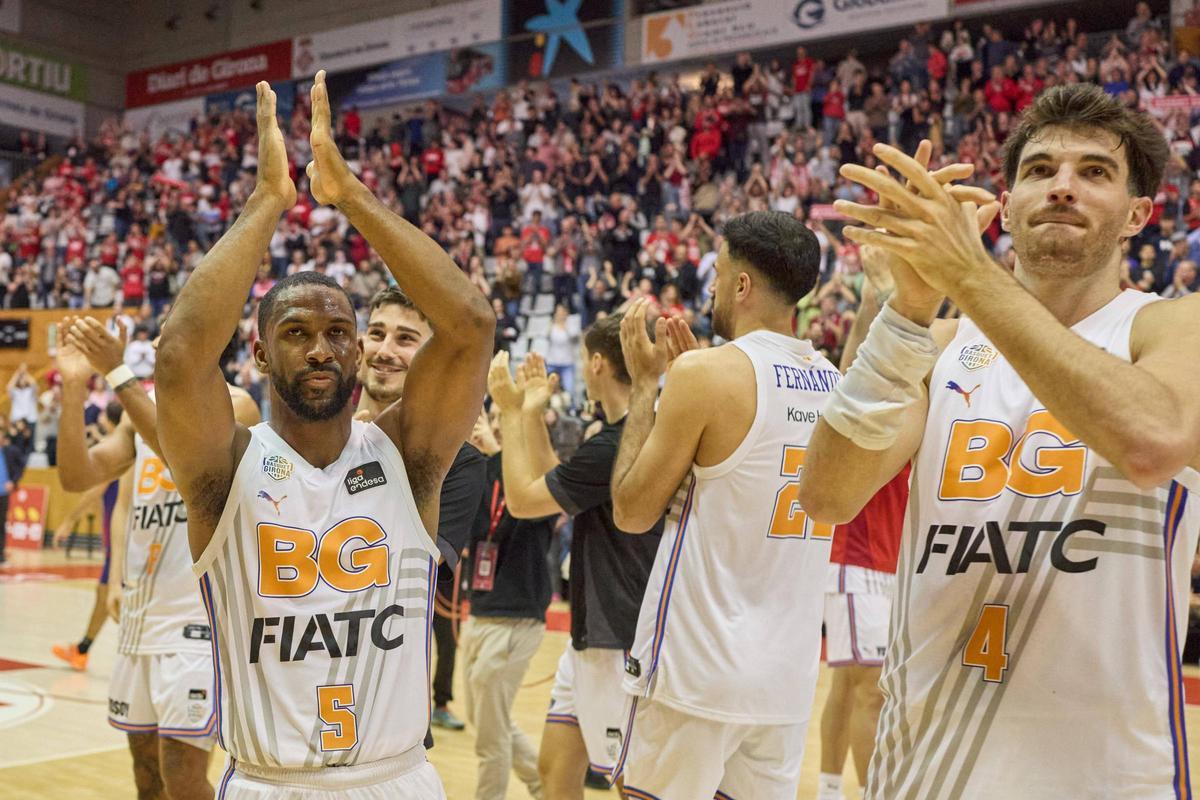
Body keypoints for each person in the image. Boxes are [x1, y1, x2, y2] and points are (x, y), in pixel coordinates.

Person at [802, 83, 1200, 798]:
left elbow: (1154, 440)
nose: (1062, 188)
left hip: (1106, 780)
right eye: (1040, 170)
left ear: (1140, 214)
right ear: (1008, 204)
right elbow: (827, 493)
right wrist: (908, 305)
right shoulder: (944, 342)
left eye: (1095, 172)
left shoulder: (1170, 327)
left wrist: (968, 272)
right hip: (923, 773)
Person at [155, 75, 492, 798]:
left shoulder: (407, 457)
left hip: (397, 778)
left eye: (339, 333)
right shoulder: (226, 466)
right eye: (296, 332)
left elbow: (470, 326)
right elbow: (181, 351)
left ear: (359, 354)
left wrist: (349, 196)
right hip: (270, 782)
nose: (319, 349)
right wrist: (267, 202)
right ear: (257, 351)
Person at [586, 210, 829, 799]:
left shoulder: (705, 373)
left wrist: (649, 387)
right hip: (784, 683)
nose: (713, 287)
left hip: (696, 669)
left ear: (741, 285)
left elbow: (632, 511)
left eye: (718, 274)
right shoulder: (833, 377)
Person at [52, 314, 260, 800]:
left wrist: (118, 376)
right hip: (140, 619)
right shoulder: (135, 409)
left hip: (197, 622)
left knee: (182, 778)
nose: (162, 344)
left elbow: (181, 458)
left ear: (207, 346)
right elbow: (76, 476)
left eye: (176, 337)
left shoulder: (238, 406)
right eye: (161, 336)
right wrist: (74, 388)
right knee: (146, 775)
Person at [487, 334, 663, 799]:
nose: (583, 370)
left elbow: (525, 502)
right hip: (595, 631)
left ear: (599, 364)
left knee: (631, 783)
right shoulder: (618, 438)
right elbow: (557, 488)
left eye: (585, 360)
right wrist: (529, 414)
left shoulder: (616, 444)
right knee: (556, 769)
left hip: (616, 633)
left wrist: (506, 410)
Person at [354, 286, 488, 732]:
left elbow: (411, 574)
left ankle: (443, 697)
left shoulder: (462, 463)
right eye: (377, 333)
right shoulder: (309, 439)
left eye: (406, 339)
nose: (385, 351)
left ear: (434, 358)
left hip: (388, 708)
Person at [461, 406, 556, 800]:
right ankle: (545, 787)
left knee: (490, 738)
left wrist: (498, 453)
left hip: (515, 618)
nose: (494, 422)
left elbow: (518, 507)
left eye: (505, 415)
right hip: (480, 612)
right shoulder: (485, 473)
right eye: (494, 414)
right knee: (488, 723)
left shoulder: (539, 474)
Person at [51, 402, 123, 671]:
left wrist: (69, 521)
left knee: (108, 593)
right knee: (105, 593)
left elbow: (94, 490)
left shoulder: (117, 450)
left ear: (109, 419)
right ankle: (83, 648)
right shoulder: (124, 444)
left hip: (122, 538)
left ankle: (84, 649)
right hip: (123, 537)